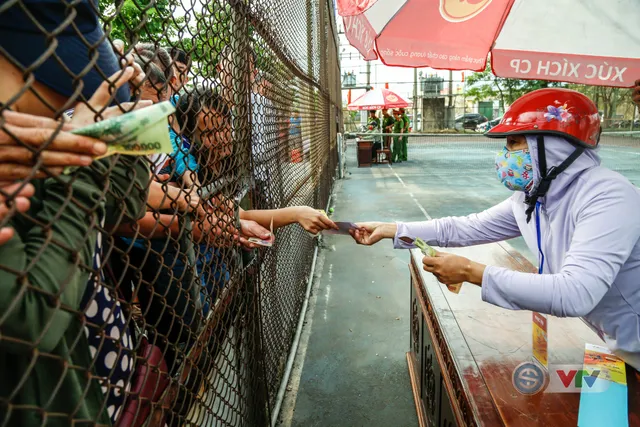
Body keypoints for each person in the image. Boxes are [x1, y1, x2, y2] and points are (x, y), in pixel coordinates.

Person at [352, 88, 640, 373]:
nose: (505, 155)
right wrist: (392, 229)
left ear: (552, 147)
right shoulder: (536, 196)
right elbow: (467, 227)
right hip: (616, 340)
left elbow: (575, 293)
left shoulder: (608, 196)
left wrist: (469, 271)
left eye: (514, 143)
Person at [0, 0, 151, 424]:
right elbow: (30, 318)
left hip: (92, 377)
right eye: (52, 76)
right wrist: (82, 155)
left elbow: (124, 203)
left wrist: (124, 134)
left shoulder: (31, 150)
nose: (73, 98)